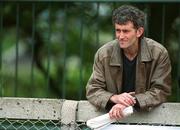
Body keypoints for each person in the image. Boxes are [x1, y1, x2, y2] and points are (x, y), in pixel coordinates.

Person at [86, 5, 172, 120]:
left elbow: (161, 90)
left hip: (148, 119)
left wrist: (128, 102)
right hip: (111, 118)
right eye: (118, 30)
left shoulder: (158, 53)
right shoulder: (104, 54)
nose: (120, 36)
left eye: (125, 31)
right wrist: (115, 98)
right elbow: (93, 89)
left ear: (139, 32)